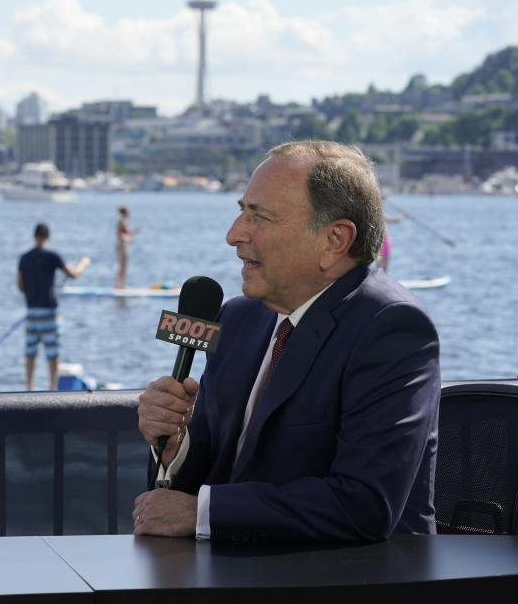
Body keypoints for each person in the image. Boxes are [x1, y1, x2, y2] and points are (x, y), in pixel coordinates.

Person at [133, 140, 441, 542]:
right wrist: (175, 446)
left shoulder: (391, 327)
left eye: (260, 217)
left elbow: (364, 505)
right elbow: (211, 466)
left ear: (334, 240)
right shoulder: (238, 317)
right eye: (241, 211)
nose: (233, 235)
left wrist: (203, 513)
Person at [17, 222, 90, 391]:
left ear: (34, 236)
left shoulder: (24, 258)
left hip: (32, 312)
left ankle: (29, 387)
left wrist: (32, 293)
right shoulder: (52, 256)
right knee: (53, 352)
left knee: (31, 352)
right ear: (48, 236)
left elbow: (20, 285)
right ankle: (52, 387)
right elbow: (73, 274)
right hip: (49, 312)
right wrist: (83, 263)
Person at [114, 206, 140, 289]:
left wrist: (134, 231)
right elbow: (120, 235)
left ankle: (120, 285)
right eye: (128, 212)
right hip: (121, 245)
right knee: (123, 266)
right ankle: (121, 286)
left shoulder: (124, 221)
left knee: (123, 267)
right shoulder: (121, 222)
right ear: (125, 213)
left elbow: (125, 232)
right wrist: (128, 239)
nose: (130, 213)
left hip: (122, 245)